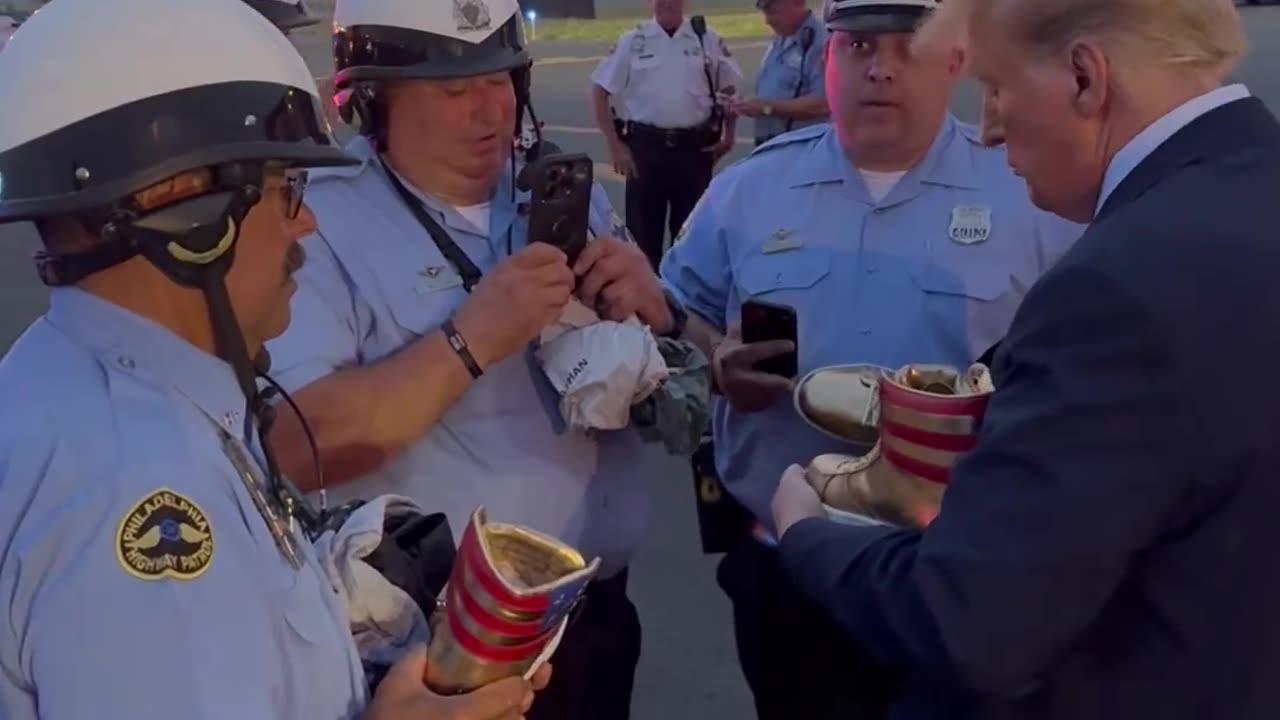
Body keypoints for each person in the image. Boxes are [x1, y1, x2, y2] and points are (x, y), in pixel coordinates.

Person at [0, 0, 547, 718]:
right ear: (183, 212)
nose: (309, 219)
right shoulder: (143, 496)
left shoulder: (83, 386)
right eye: (288, 190)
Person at [771, 0, 1280, 718]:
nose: (987, 128)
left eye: (997, 88)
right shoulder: (1250, 188)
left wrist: (808, 535)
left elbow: (970, 622)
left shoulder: (1116, 286)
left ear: (1084, 77)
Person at [659, 0, 1083, 717]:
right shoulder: (747, 191)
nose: (880, 68)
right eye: (856, 45)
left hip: (960, 570)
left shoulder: (1032, 197)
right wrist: (716, 362)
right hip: (789, 564)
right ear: (828, 57)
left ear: (956, 61)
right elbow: (675, 316)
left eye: (907, 46)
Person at [263, 1, 685, 718]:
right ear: (372, 100)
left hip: (597, 620)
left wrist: (655, 307)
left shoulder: (553, 187)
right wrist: (469, 340)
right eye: (455, 90)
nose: (490, 111)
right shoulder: (321, 225)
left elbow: (660, 364)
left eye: (499, 79)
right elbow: (300, 443)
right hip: (448, 654)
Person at [589, 0, 744, 270]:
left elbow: (728, 89)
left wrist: (729, 135)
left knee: (693, 238)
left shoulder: (705, 37)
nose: (666, 3)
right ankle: (646, 304)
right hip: (645, 152)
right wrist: (616, 147)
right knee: (642, 240)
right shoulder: (632, 41)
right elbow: (599, 92)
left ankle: (686, 306)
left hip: (694, 152)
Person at [732, 0, 830, 146]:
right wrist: (749, 105)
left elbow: (822, 103)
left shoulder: (820, 42)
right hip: (773, 143)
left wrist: (766, 107)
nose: (767, 21)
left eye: (773, 12)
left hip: (802, 147)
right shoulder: (782, 35)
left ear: (798, 2)